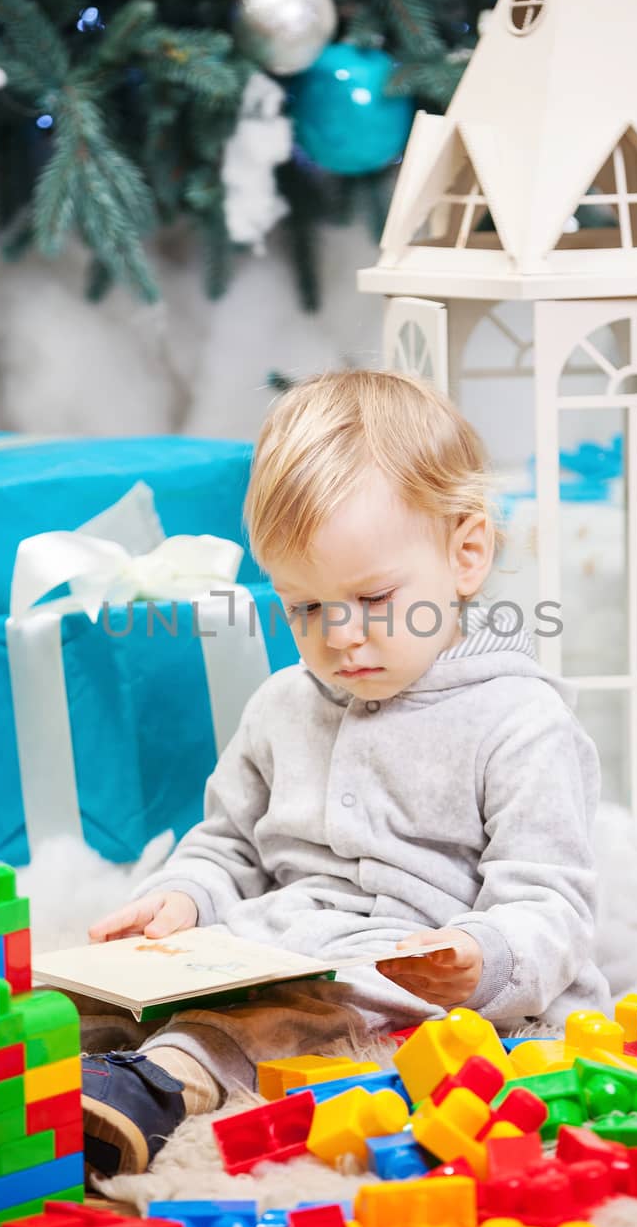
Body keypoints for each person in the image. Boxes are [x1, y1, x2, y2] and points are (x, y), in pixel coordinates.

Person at [81, 368, 609, 1177]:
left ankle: (166, 1085)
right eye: (304, 608)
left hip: (422, 988)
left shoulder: (520, 722)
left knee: (313, 1013)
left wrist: (478, 954)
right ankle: (90, 1073)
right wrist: (184, 896)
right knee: (105, 1002)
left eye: (370, 598)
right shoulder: (282, 704)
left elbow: (550, 903)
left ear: (466, 554)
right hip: (282, 943)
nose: (339, 639)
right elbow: (229, 845)